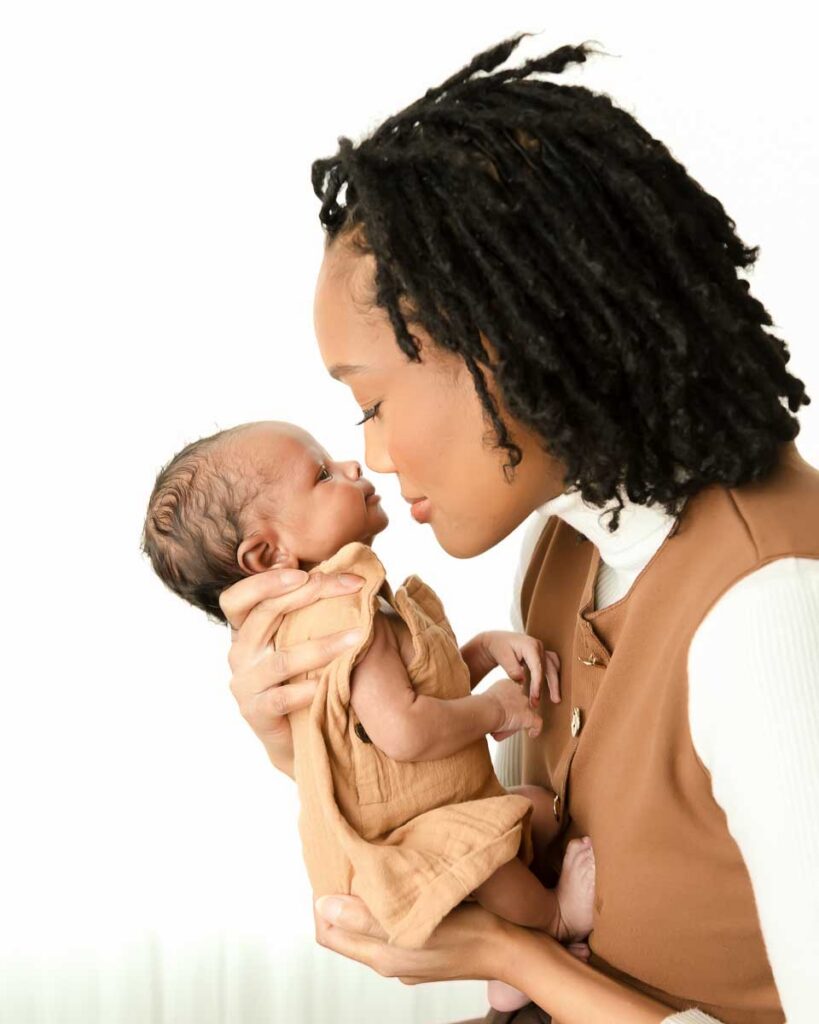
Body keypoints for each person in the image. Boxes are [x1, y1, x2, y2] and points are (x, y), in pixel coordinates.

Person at [217, 33, 819, 1024]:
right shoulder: (567, 553)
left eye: (371, 401)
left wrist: (507, 954)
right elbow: (495, 834)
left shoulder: (770, 608)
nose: (370, 451)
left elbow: (527, 940)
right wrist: (313, 738)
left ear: (496, 347)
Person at [140, 419, 597, 1012]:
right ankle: (553, 920)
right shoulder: (342, 615)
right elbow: (404, 730)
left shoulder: (325, 615)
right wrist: (492, 711)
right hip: (403, 838)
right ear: (268, 553)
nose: (355, 468)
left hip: (414, 811)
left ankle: (510, 963)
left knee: (534, 810)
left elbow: (401, 700)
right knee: (481, 858)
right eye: (323, 474)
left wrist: (481, 653)